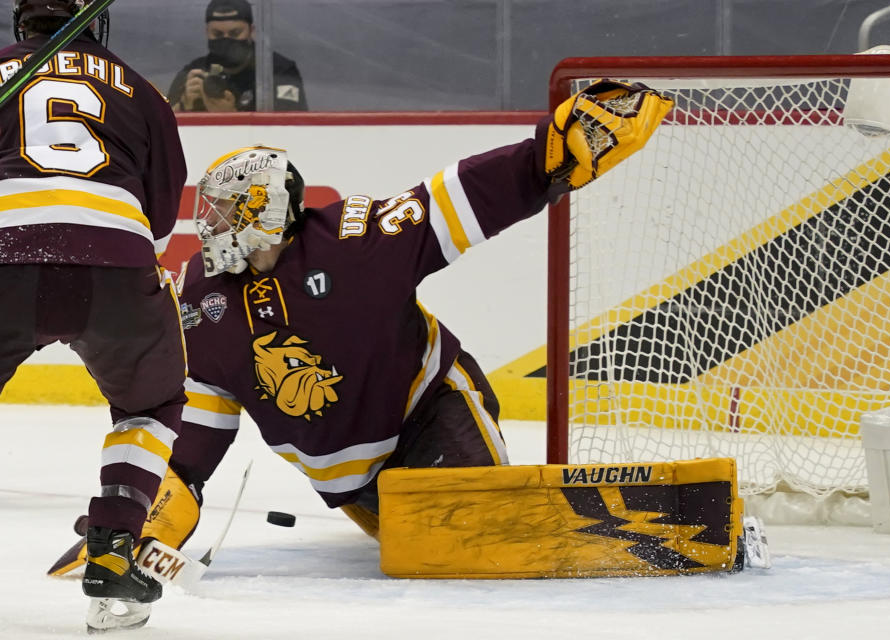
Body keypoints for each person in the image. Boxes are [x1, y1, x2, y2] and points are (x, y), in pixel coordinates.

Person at [50, 80, 671, 565]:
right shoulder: (201, 303)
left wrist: (549, 158)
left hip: (427, 414)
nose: (208, 226)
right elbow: (193, 449)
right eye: (208, 212)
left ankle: (630, 530)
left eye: (225, 211)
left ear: (267, 206)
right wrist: (138, 527)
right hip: (352, 487)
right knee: (433, 554)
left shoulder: (356, 238)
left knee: (487, 540)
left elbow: (458, 197)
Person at [0, 0, 188, 632]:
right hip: (115, 259)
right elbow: (162, 215)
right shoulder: (140, 87)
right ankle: (113, 552)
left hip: (4, 256)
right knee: (151, 404)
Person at [167, 0, 307, 113]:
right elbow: (160, 128)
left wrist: (231, 116)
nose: (226, 40)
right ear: (206, 32)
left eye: (235, 33)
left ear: (251, 31)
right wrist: (184, 106)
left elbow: (291, 132)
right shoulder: (194, 73)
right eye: (217, 34)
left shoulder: (276, 71)